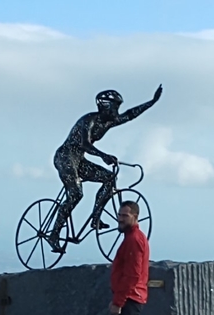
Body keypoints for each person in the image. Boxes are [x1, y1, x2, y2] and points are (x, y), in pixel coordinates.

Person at [48, 85, 162, 253]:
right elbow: (84, 143)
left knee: (109, 178)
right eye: (115, 106)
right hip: (65, 157)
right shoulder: (88, 120)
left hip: (79, 160)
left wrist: (152, 102)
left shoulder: (109, 121)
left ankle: (96, 217)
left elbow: (130, 115)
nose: (117, 110)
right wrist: (103, 155)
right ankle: (54, 234)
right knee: (76, 194)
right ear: (105, 106)